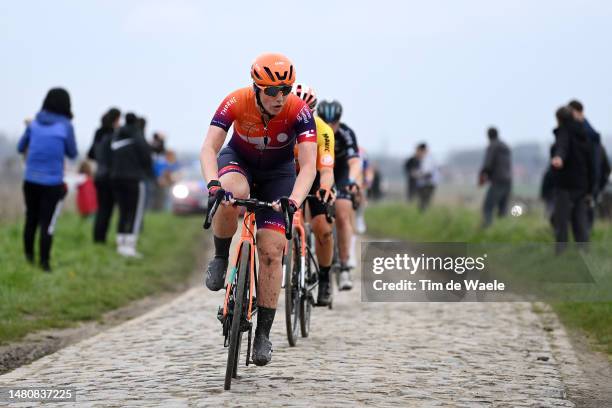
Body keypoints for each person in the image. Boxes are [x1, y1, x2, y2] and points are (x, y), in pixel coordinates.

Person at [200, 53, 317, 366]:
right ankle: (221, 257)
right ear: (256, 88)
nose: (280, 98)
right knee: (229, 195)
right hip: (239, 161)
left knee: (271, 248)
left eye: (286, 90)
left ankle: (263, 334)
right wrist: (213, 183)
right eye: (272, 91)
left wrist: (294, 199)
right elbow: (209, 147)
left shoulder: (299, 111)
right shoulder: (236, 101)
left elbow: (308, 167)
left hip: (278, 175)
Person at [17, 87, 78, 272]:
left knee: (31, 219)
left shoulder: (34, 124)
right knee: (47, 223)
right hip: (52, 183)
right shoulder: (66, 126)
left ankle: (28, 259)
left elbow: (21, 147)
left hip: (30, 180)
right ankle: (44, 264)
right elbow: (73, 153)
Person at [292, 83, 336, 306]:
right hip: (289, 175)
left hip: (316, 176)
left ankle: (325, 277)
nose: (302, 116)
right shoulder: (281, 125)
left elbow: (327, 170)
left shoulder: (323, 131)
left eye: (307, 111)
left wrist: (325, 189)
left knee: (322, 227)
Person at [317, 100, 360, 291]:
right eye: (325, 122)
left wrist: (351, 180)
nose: (330, 126)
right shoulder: (314, 131)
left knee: (342, 214)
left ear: (339, 121)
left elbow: (355, 163)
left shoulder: (346, 134)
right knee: (314, 218)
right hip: (320, 172)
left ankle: (344, 266)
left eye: (333, 123)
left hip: (341, 173)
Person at [550, 106, 593, 253]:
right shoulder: (584, 134)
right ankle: (585, 255)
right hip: (582, 186)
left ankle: (561, 256)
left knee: (560, 222)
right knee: (580, 222)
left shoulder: (564, 131)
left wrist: (558, 158)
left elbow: (563, 146)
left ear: (559, 119)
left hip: (565, 185)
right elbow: (591, 162)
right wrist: (591, 188)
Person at [110, 112, 152, 257]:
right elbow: (147, 158)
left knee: (122, 211)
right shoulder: (137, 136)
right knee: (135, 212)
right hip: (134, 179)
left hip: (116, 178)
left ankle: (120, 244)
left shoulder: (117, 136)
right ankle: (130, 246)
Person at [568, 100, 611, 230]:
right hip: (590, 189)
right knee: (585, 225)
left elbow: (602, 168)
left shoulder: (585, 139)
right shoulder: (595, 139)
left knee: (579, 224)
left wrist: (595, 188)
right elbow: (605, 169)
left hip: (581, 188)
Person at [88, 108, 121, 243]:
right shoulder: (114, 135)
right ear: (115, 120)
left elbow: (91, 154)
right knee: (107, 210)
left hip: (99, 176)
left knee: (100, 208)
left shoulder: (98, 133)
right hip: (110, 177)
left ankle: (97, 237)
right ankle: (101, 239)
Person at [478, 127, 512, 228]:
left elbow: (487, 164)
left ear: (488, 135)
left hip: (497, 180)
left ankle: (486, 227)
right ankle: (504, 229)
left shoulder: (492, 146)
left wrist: (482, 175)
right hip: (508, 180)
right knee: (503, 208)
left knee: (488, 206)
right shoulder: (506, 147)